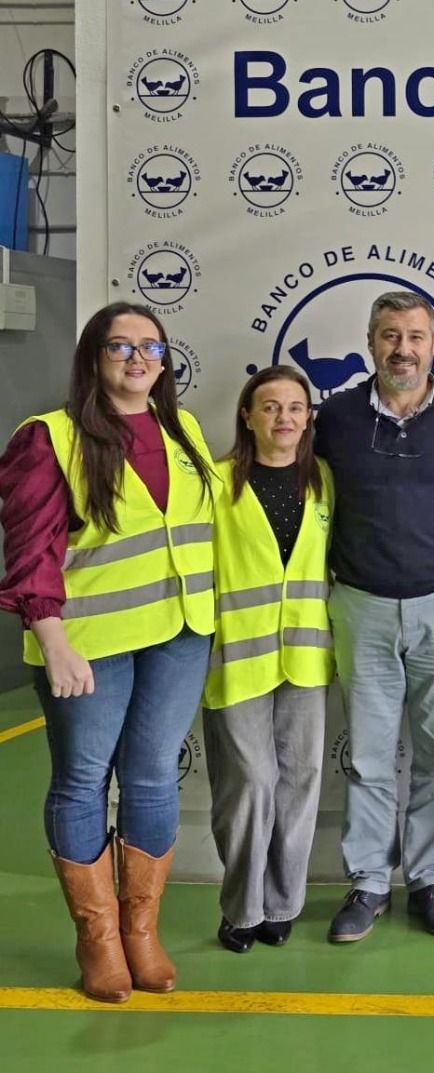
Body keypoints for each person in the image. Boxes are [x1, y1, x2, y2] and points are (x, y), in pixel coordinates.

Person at [0, 302, 216, 1002]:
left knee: (153, 776)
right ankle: (97, 938)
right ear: (93, 356)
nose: (137, 358)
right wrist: (51, 639)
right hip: (88, 645)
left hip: (180, 632)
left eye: (150, 346)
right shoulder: (49, 437)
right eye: (120, 346)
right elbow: (30, 550)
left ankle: (140, 933)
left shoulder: (181, 429)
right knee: (82, 780)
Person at [314, 290, 434, 944]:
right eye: (390, 335)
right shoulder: (333, 418)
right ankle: (367, 881)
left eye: (416, 336)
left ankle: (428, 877)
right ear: (371, 342)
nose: (403, 348)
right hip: (359, 603)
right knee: (367, 756)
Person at [202, 366, 334, 953]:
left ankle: (283, 904)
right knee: (249, 785)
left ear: (309, 418)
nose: (284, 418)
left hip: (305, 658)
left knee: (300, 782)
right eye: (271, 407)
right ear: (248, 416)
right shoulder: (215, 482)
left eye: (295, 408)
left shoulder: (325, 480)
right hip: (236, 657)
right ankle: (241, 908)